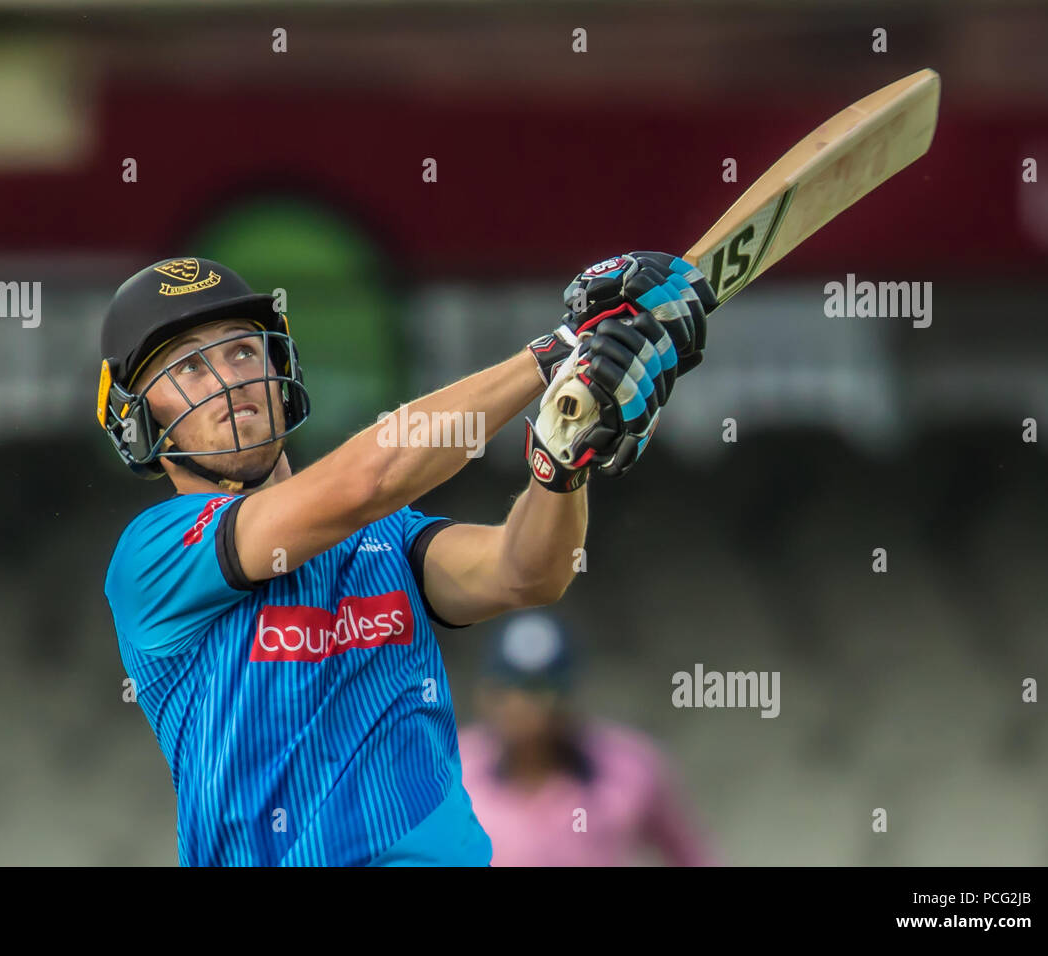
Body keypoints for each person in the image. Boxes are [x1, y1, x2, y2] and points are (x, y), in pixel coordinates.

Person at [96, 253, 713, 865]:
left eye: (240, 351)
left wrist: (560, 458)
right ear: (139, 420)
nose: (230, 380)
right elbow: (366, 482)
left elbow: (527, 572)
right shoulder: (152, 556)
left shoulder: (385, 535)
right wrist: (559, 353)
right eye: (189, 368)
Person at [459, 611, 718, 866]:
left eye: (545, 690)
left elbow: (691, 854)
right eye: (514, 690)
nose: (530, 708)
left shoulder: (626, 767)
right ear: (486, 694)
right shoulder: (452, 772)